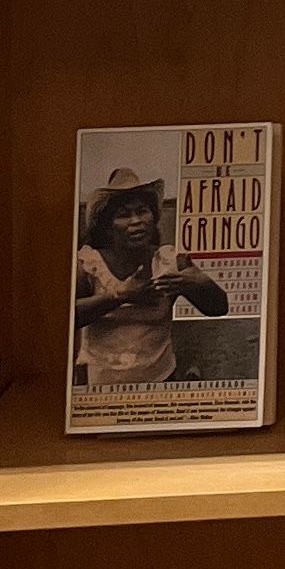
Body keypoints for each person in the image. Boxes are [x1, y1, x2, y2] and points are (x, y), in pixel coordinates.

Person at [72, 165, 228, 396]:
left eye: (142, 211)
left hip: (161, 382)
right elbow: (67, 319)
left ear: (153, 217)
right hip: (99, 390)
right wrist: (121, 295)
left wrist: (200, 284)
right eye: (123, 215)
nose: (136, 221)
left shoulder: (168, 260)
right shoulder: (89, 263)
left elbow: (219, 308)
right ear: (107, 225)